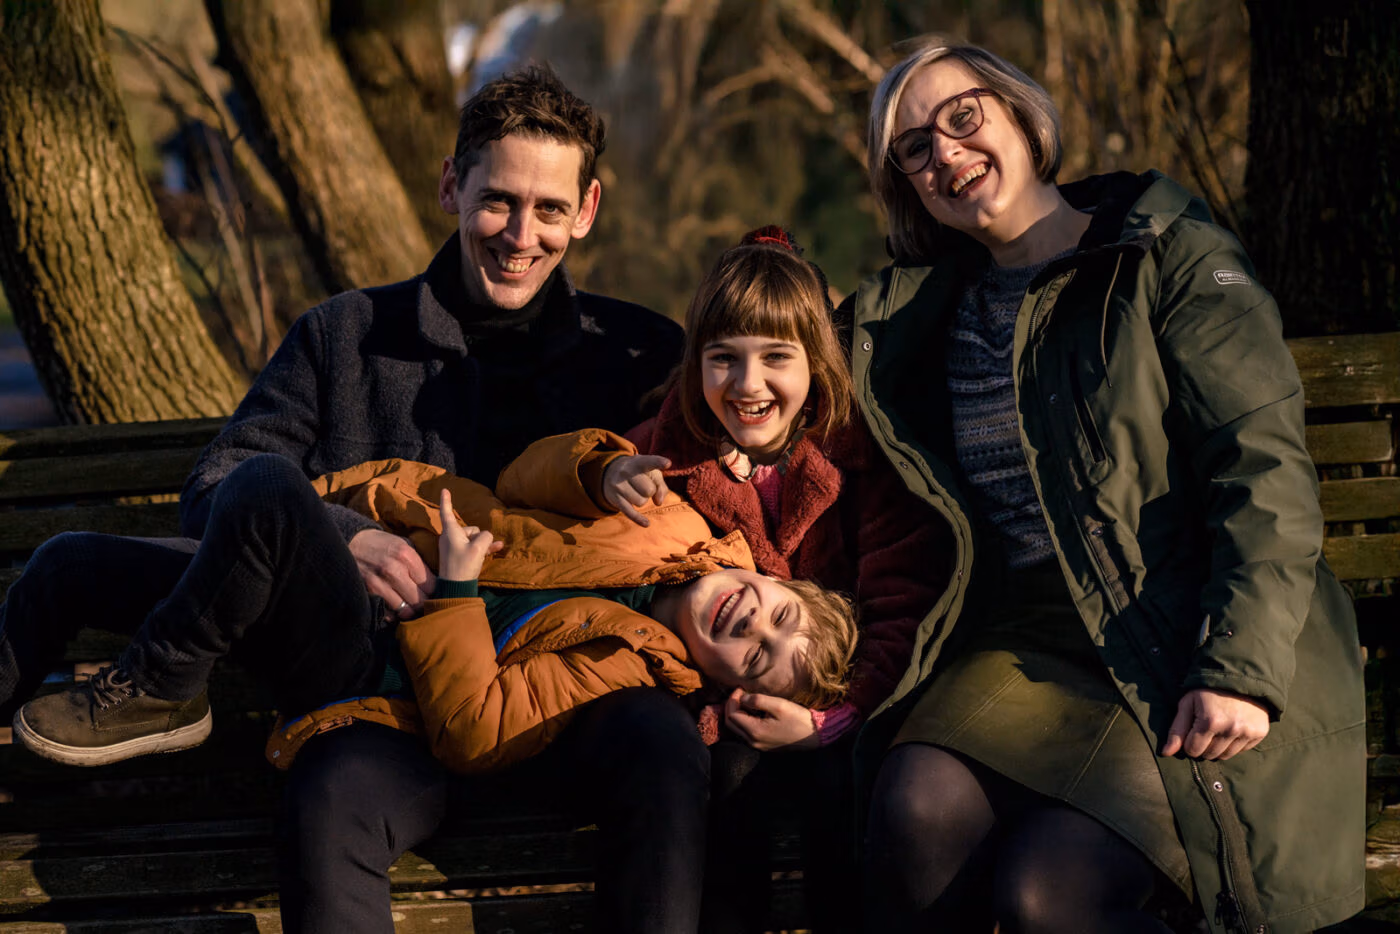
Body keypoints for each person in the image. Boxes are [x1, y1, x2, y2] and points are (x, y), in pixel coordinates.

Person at [0, 65, 710, 934]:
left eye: (551, 209)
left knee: (666, 745)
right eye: (498, 200)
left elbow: (723, 492)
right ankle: (158, 694)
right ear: (452, 186)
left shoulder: (639, 353)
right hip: (380, 694)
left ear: (587, 210)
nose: (522, 234)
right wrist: (342, 537)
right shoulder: (343, 336)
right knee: (324, 785)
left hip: (563, 694)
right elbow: (220, 484)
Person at [844, 38, 1364, 934]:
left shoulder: (1166, 258)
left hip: (1171, 634)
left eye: (963, 116)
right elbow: (750, 369)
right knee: (911, 809)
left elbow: (1264, 473)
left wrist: (1237, 669)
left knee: (1046, 896)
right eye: (914, 148)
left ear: (1019, 114)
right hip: (1026, 643)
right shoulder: (922, 314)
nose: (946, 152)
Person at [13, 432, 858, 780]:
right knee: (65, 564)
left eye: (755, 654)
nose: (751, 622)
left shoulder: (632, 673)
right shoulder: (676, 519)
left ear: (728, 682)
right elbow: (525, 479)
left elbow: (476, 729)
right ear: (780, 580)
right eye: (777, 614)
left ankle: (164, 688)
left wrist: (454, 591)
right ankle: (157, 681)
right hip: (366, 565)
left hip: (367, 656)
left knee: (266, 487)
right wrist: (599, 467)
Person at [579, 227, 946, 932]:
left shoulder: (863, 453)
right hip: (723, 704)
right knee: (725, 783)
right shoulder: (666, 448)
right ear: (697, 364)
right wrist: (603, 475)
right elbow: (604, 541)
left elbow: (905, 601)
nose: (747, 386)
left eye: (776, 357)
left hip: (840, 697)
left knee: (851, 788)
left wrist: (833, 720)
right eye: (724, 359)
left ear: (817, 362)